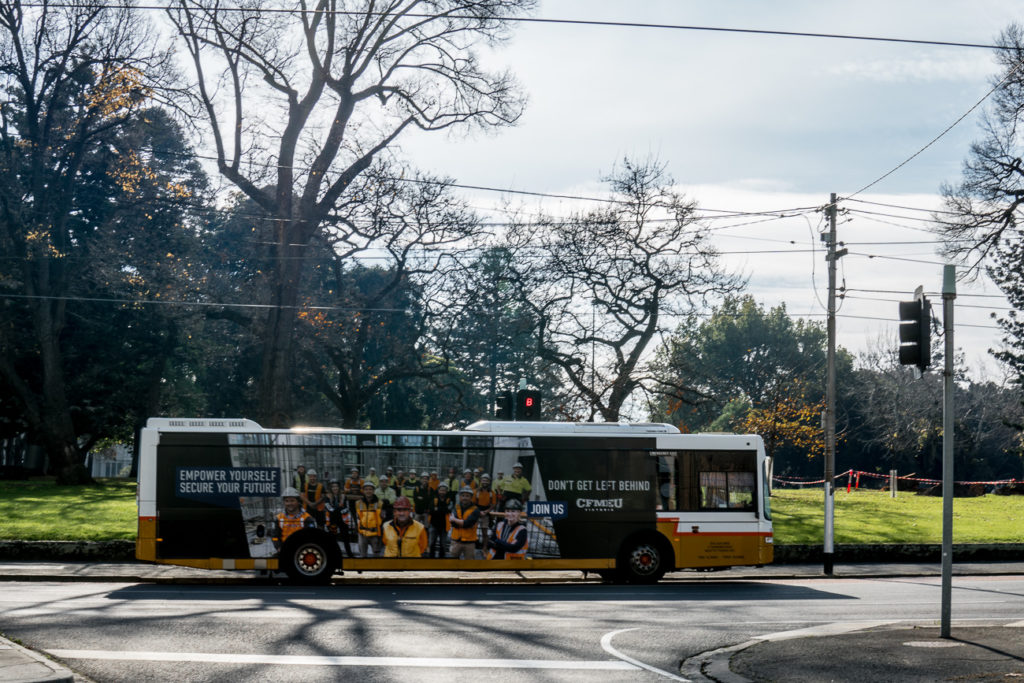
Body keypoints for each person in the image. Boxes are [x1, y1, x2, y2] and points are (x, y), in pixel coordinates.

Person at [324, 480, 354, 557]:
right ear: (331, 488)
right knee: (333, 537)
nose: (335, 488)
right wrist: (336, 510)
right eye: (333, 486)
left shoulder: (343, 496)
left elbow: (347, 507)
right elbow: (327, 506)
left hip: (342, 519)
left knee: (345, 538)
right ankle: (333, 554)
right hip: (332, 519)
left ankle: (349, 554)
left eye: (336, 486)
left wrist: (340, 511)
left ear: (339, 487)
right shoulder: (327, 496)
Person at [449, 486, 480, 560]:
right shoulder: (456, 507)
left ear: (471, 497)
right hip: (456, 541)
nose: (465, 498)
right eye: (463, 495)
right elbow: (453, 524)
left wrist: (455, 520)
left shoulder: (475, 510)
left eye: (467, 496)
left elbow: (468, 524)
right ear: (460, 497)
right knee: (453, 563)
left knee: (469, 566)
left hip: (469, 542)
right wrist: (460, 522)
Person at [355, 482, 383, 558]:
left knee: (376, 556)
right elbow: (358, 518)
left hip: (375, 534)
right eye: (366, 489)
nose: (368, 491)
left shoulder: (380, 503)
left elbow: (382, 519)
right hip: (362, 533)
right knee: (363, 555)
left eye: (370, 489)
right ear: (363, 491)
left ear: (373, 491)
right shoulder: (358, 503)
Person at [427, 482, 453, 558]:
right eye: (441, 490)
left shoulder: (449, 500)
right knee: (432, 543)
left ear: (446, 491)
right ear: (438, 490)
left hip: (444, 526)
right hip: (434, 524)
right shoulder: (434, 499)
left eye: (444, 490)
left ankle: (441, 561)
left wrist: (437, 509)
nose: (442, 492)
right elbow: (431, 510)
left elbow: (449, 510)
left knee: (443, 544)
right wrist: (443, 509)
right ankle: (431, 559)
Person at [473, 473, 497, 549]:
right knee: (472, 530)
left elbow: (493, 504)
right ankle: (472, 545)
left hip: (486, 513)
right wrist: (478, 512)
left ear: (489, 482)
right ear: (480, 481)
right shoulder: (476, 491)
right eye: (483, 480)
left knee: (484, 532)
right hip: (476, 512)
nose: (485, 482)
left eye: (486, 481)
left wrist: (486, 511)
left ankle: (484, 548)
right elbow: (473, 503)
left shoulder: (491, 493)